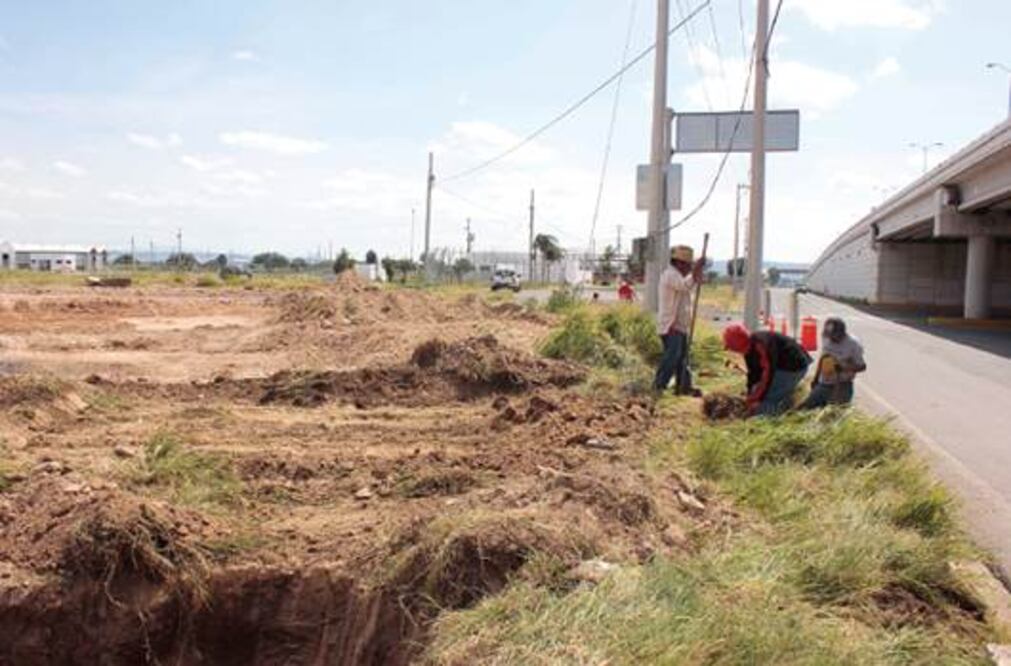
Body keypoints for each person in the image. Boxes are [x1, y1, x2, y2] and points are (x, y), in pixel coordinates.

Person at [722, 323, 812, 416]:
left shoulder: (762, 345)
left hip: (794, 367)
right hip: (779, 366)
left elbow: (767, 375)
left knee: (765, 403)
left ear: (738, 345)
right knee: (757, 391)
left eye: (732, 348)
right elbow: (753, 374)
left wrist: (756, 399)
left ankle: (784, 409)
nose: (734, 351)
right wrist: (750, 394)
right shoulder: (749, 347)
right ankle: (785, 399)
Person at [654, 245, 704, 395]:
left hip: (680, 325)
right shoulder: (670, 275)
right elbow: (684, 286)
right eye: (688, 265)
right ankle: (659, 385)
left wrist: (697, 274)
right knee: (672, 357)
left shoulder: (678, 276)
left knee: (682, 358)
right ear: (679, 263)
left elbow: (689, 286)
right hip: (671, 325)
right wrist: (696, 270)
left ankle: (684, 386)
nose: (689, 268)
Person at [800, 317, 866, 409]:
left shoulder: (853, 344)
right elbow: (823, 358)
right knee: (804, 408)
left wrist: (843, 368)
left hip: (842, 385)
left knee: (837, 412)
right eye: (829, 336)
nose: (831, 339)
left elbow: (862, 366)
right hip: (824, 383)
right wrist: (816, 379)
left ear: (842, 333)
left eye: (834, 337)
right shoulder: (826, 337)